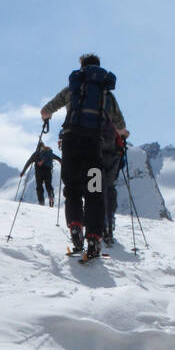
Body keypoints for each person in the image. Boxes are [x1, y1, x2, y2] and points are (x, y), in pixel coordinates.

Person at [40, 54, 127, 261]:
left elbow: (45, 110)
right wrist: (119, 134)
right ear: (99, 69)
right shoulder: (106, 94)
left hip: (70, 144)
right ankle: (95, 237)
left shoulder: (73, 88)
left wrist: (47, 116)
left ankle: (76, 227)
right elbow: (121, 128)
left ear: (81, 67)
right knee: (95, 192)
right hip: (94, 147)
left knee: (73, 189)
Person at [19, 141, 61, 206]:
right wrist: (63, 164)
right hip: (48, 171)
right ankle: (51, 197)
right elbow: (58, 159)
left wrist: (23, 172)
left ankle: (41, 202)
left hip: (39, 172)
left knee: (39, 187)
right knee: (48, 185)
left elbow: (28, 162)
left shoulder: (35, 154)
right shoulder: (48, 152)